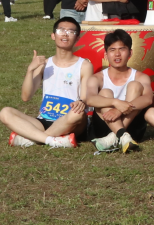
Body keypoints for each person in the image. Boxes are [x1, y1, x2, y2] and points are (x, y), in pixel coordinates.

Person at [1, 15, 90, 148]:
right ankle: (51, 140)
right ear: (53, 35)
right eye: (61, 30)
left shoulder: (84, 65)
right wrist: (30, 70)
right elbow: (26, 96)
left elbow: (85, 98)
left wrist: (81, 102)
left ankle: (33, 138)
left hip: (70, 120)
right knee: (5, 112)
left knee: (77, 114)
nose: (65, 34)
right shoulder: (45, 64)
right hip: (43, 120)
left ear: (77, 38)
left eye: (71, 31)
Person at [86, 28, 154, 152]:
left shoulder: (141, 77)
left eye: (122, 49)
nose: (117, 54)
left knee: (135, 86)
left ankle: (116, 136)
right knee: (105, 93)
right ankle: (122, 136)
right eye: (112, 50)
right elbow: (90, 99)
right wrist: (115, 103)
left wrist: (119, 110)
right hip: (103, 128)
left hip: (132, 128)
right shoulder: (97, 78)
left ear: (130, 53)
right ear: (106, 55)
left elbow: (148, 99)